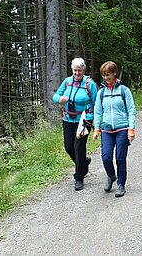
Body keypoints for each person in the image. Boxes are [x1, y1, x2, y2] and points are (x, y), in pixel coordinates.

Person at [52, 57, 98, 191]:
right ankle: (83, 163)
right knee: (69, 148)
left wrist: (95, 119)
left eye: (80, 71)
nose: (77, 73)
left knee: (79, 148)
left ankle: (79, 178)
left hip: (84, 120)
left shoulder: (90, 84)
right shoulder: (67, 82)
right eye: (75, 70)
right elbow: (55, 96)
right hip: (68, 119)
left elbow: (96, 103)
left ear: (84, 70)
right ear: (72, 70)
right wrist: (60, 99)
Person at [92, 61, 136, 198]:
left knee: (120, 158)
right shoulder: (101, 93)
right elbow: (98, 111)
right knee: (106, 157)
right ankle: (111, 176)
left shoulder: (124, 90)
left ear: (114, 73)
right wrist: (96, 129)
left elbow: (131, 110)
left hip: (122, 128)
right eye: (104, 75)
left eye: (108, 75)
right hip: (106, 130)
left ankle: (121, 184)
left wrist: (131, 129)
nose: (106, 78)